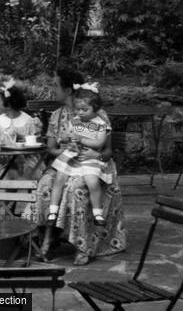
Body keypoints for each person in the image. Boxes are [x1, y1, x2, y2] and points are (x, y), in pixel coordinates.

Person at [25, 68, 126, 266]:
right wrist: (65, 151)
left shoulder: (99, 115)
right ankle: (47, 238)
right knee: (45, 183)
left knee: (77, 188)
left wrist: (96, 154)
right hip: (66, 163)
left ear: (69, 90)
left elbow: (108, 152)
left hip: (95, 164)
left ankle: (82, 245)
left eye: (55, 85)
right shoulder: (56, 116)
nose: (52, 89)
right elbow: (51, 149)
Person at [47, 82, 111, 227]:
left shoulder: (100, 124)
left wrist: (82, 139)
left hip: (89, 158)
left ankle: (97, 213)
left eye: (84, 109)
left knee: (92, 182)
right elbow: (66, 135)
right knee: (59, 179)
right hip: (72, 156)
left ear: (96, 109)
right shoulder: (75, 121)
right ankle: (53, 211)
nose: (80, 112)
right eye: (78, 109)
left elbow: (100, 143)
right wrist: (65, 139)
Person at [0, 78, 43, 179]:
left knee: (30, 172)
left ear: (8, 103)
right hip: (5, 164)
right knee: (8, 173)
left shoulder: (28, 121)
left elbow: (35, 145)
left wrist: (38, 132)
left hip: (28, 164)